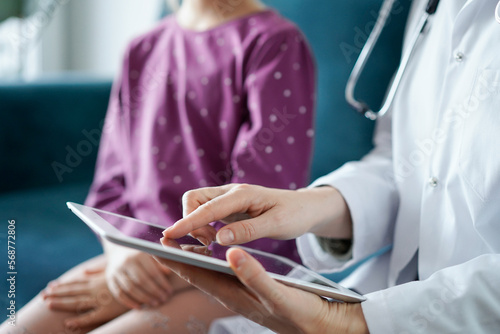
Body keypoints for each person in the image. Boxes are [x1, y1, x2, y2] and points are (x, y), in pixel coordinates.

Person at [157, 0, 500, 332]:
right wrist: (310, 206)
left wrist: (347, 324)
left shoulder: (271, 41)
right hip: (384, 296)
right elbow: (405, 164)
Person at [0, 0, 315, 333]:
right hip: (138, 256)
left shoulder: (275, 43)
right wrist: (121, 257)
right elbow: (110, 186)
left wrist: (144, 274)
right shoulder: (142, 48)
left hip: (240, 271)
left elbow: (259, 212)